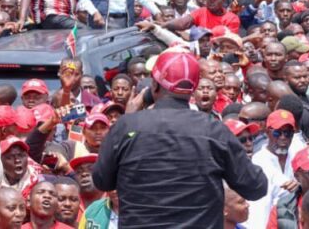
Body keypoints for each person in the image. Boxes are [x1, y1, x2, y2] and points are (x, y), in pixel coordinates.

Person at [93, 49, 268, 227]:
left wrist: (128, 119)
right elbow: (256, 187)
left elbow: (102, 180)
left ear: (154, 85)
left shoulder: (126, 127)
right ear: (193, 89)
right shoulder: (214, 131)